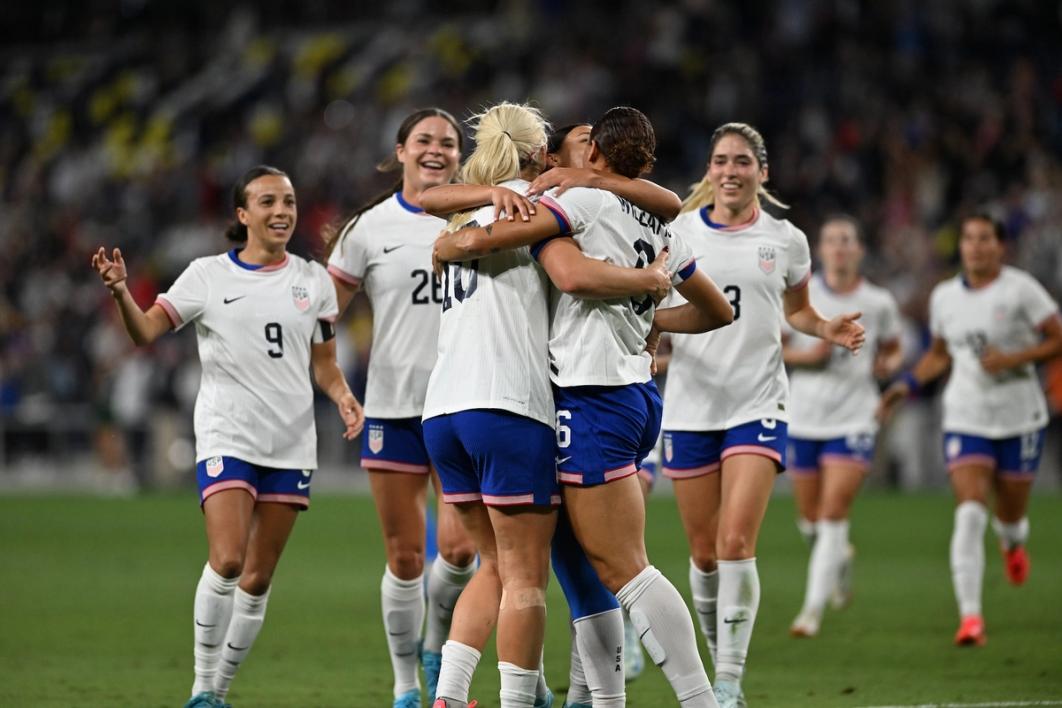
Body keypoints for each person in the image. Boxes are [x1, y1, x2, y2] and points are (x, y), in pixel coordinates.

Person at [434, 106, 735, 708]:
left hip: (590, 395)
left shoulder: (580, 206)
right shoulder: (655, 222)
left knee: (621, 566)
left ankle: (702, 700)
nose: (553, 160)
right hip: (626, 392)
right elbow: (716, 311)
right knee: (577, 564)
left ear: (592, 152)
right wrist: (652, 314)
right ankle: (602, 700)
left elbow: (564, 273)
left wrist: (457, 240)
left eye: (568, 145)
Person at [92, 165, 365, 708]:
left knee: (258, 578)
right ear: (243, 215)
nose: (282, 211)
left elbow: (325, 364)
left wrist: (342, 396)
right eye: (268, 202)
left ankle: (217, 691)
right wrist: (122, 292)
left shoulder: (313, 281)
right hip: (227, 434)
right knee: (229, 559)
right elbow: (146, 330)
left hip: (291, 440)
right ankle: (200, 685)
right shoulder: (207, 276)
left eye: (288, 201)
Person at [658, 123, 865, 707]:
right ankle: (715, 654)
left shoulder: (786, 240)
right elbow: (651, 304)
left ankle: (727, 681)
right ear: (708, 169)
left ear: (762, 172)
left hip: (757, 402)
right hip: (692, 404)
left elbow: (797, 311)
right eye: (720, 160)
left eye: (742, 161)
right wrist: (652, 340)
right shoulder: (676, 234)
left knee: (735, 540)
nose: (730, 170)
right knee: (702, 554)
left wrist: (826, 327)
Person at [322, 108, 478, 708]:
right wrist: (335, 382)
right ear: (401, 151)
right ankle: (406, 686)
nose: (436, 150)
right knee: (407, 555)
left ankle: (435, 645)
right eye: (425, 141)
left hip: (462, 402)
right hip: (391, 409)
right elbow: (320, 310)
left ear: (460, 157)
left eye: (448, 142)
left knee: (460, 551)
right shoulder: (369, 228)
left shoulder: (475, 215)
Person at [878, 214, 1062, 646]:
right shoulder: (945, 296)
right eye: (969, 239)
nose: (976, 247)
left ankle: (1013, 545)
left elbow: (1057, 339)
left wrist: (1016, 359)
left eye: (985, 240)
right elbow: (941, 354)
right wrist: (906, 384)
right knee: (969, 510)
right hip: (965, 414)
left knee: (1010, 516)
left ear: (1001, 247)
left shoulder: (1022, 290)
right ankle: (971, 617)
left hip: (1019, 416)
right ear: (960, 247)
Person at [783, 215, 903, 637]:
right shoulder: (801, 296)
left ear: (859, 250)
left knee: (834, 513)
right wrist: (809, 357)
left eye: (846, 240)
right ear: (820, 249)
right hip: (804, 415)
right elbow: (776, 348)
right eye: (831, 240)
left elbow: (893, 347)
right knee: (809, 520)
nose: (839, 247)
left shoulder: (879, 301)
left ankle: (811, 611)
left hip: (855, 415)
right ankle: (839, 559)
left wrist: (890, 368)